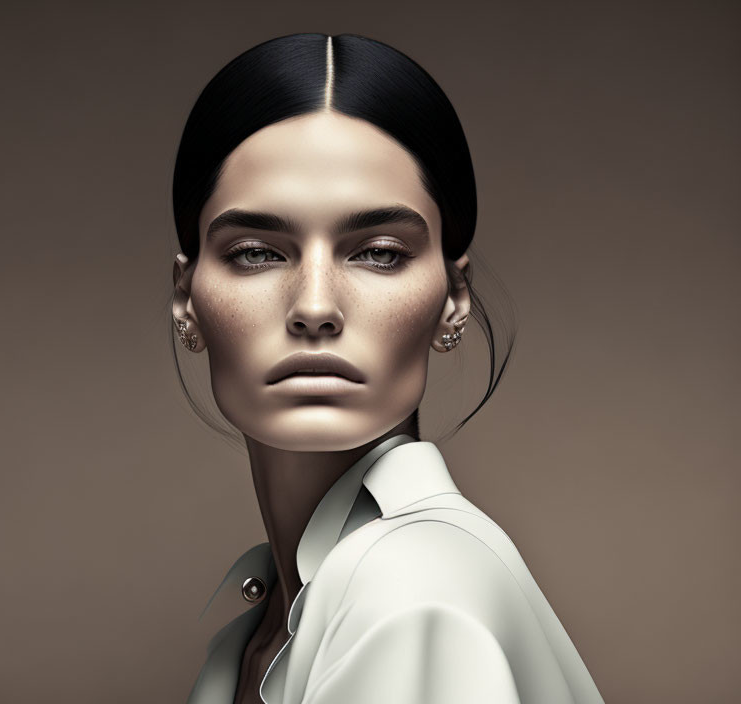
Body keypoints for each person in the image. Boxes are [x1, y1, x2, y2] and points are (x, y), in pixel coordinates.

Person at [170, 33, 605, 704]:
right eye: (257, 253)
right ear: (187, 301)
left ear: (453, 302)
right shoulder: (273, 616)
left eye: (377, 252)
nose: (315, 307)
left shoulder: (410, 601)